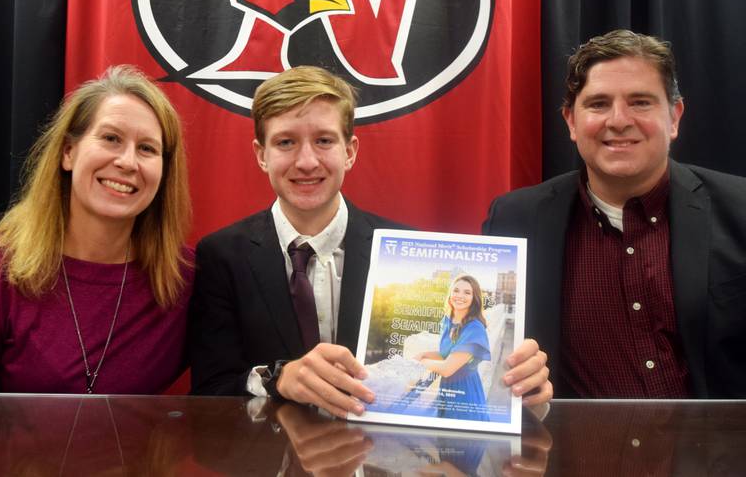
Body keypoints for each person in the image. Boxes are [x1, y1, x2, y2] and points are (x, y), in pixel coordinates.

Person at [190, 65, 551, 418]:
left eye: (324, 140)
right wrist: (277, 379)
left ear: (350, 151)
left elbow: (452, 379)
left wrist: (518, 391)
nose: (306, 160)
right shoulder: (222, 256)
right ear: (261, 155)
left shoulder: (410, 255)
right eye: (285, 142)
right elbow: (210, 392)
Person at [483, 29, 746, 399]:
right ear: (571, 122)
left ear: (674, 117)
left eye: (640, 102)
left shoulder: (739, 211)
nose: (619, 120)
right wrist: (514, 385)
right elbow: (489, 350)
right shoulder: (515, 221)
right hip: (571, 454)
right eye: (598, 104)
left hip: (718, 454)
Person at [0, 65, 193, 394]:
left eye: (147, 148)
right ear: (68, 153)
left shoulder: (185, 280)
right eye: (111, 139)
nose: (128, 162)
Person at [415, 275, 491, 421]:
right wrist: (423, 354)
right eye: (456, 291)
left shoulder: (474, 329)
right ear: (450, 294)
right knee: (443, 439)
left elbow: (447, 368)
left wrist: (422, 361)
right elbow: (447, 354)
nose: (460, 296)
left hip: (465, 393)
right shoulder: (448, 320)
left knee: (462, 440)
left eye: (467, 292)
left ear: (475, 298)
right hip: (447, 389)